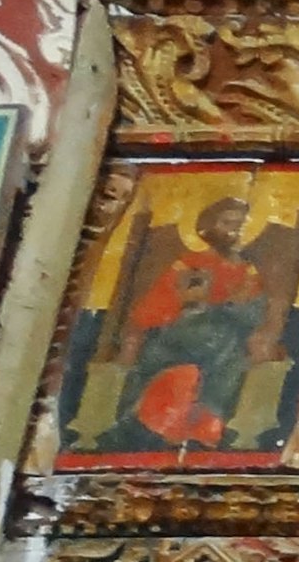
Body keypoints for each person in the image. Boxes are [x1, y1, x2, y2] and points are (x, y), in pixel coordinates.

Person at [116, 195, 280, 455]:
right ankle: (154, 429)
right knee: (195, 359)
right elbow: (152, 308)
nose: (234, 231)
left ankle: (205, 431)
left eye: (239, 225)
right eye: (227, 223)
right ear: (208, 228)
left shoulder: (248, 271)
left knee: (227, 353)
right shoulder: (189, 264)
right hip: (177, 338)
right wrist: (187, 303)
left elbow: (254, 314)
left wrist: (231, 307)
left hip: (224, 343)